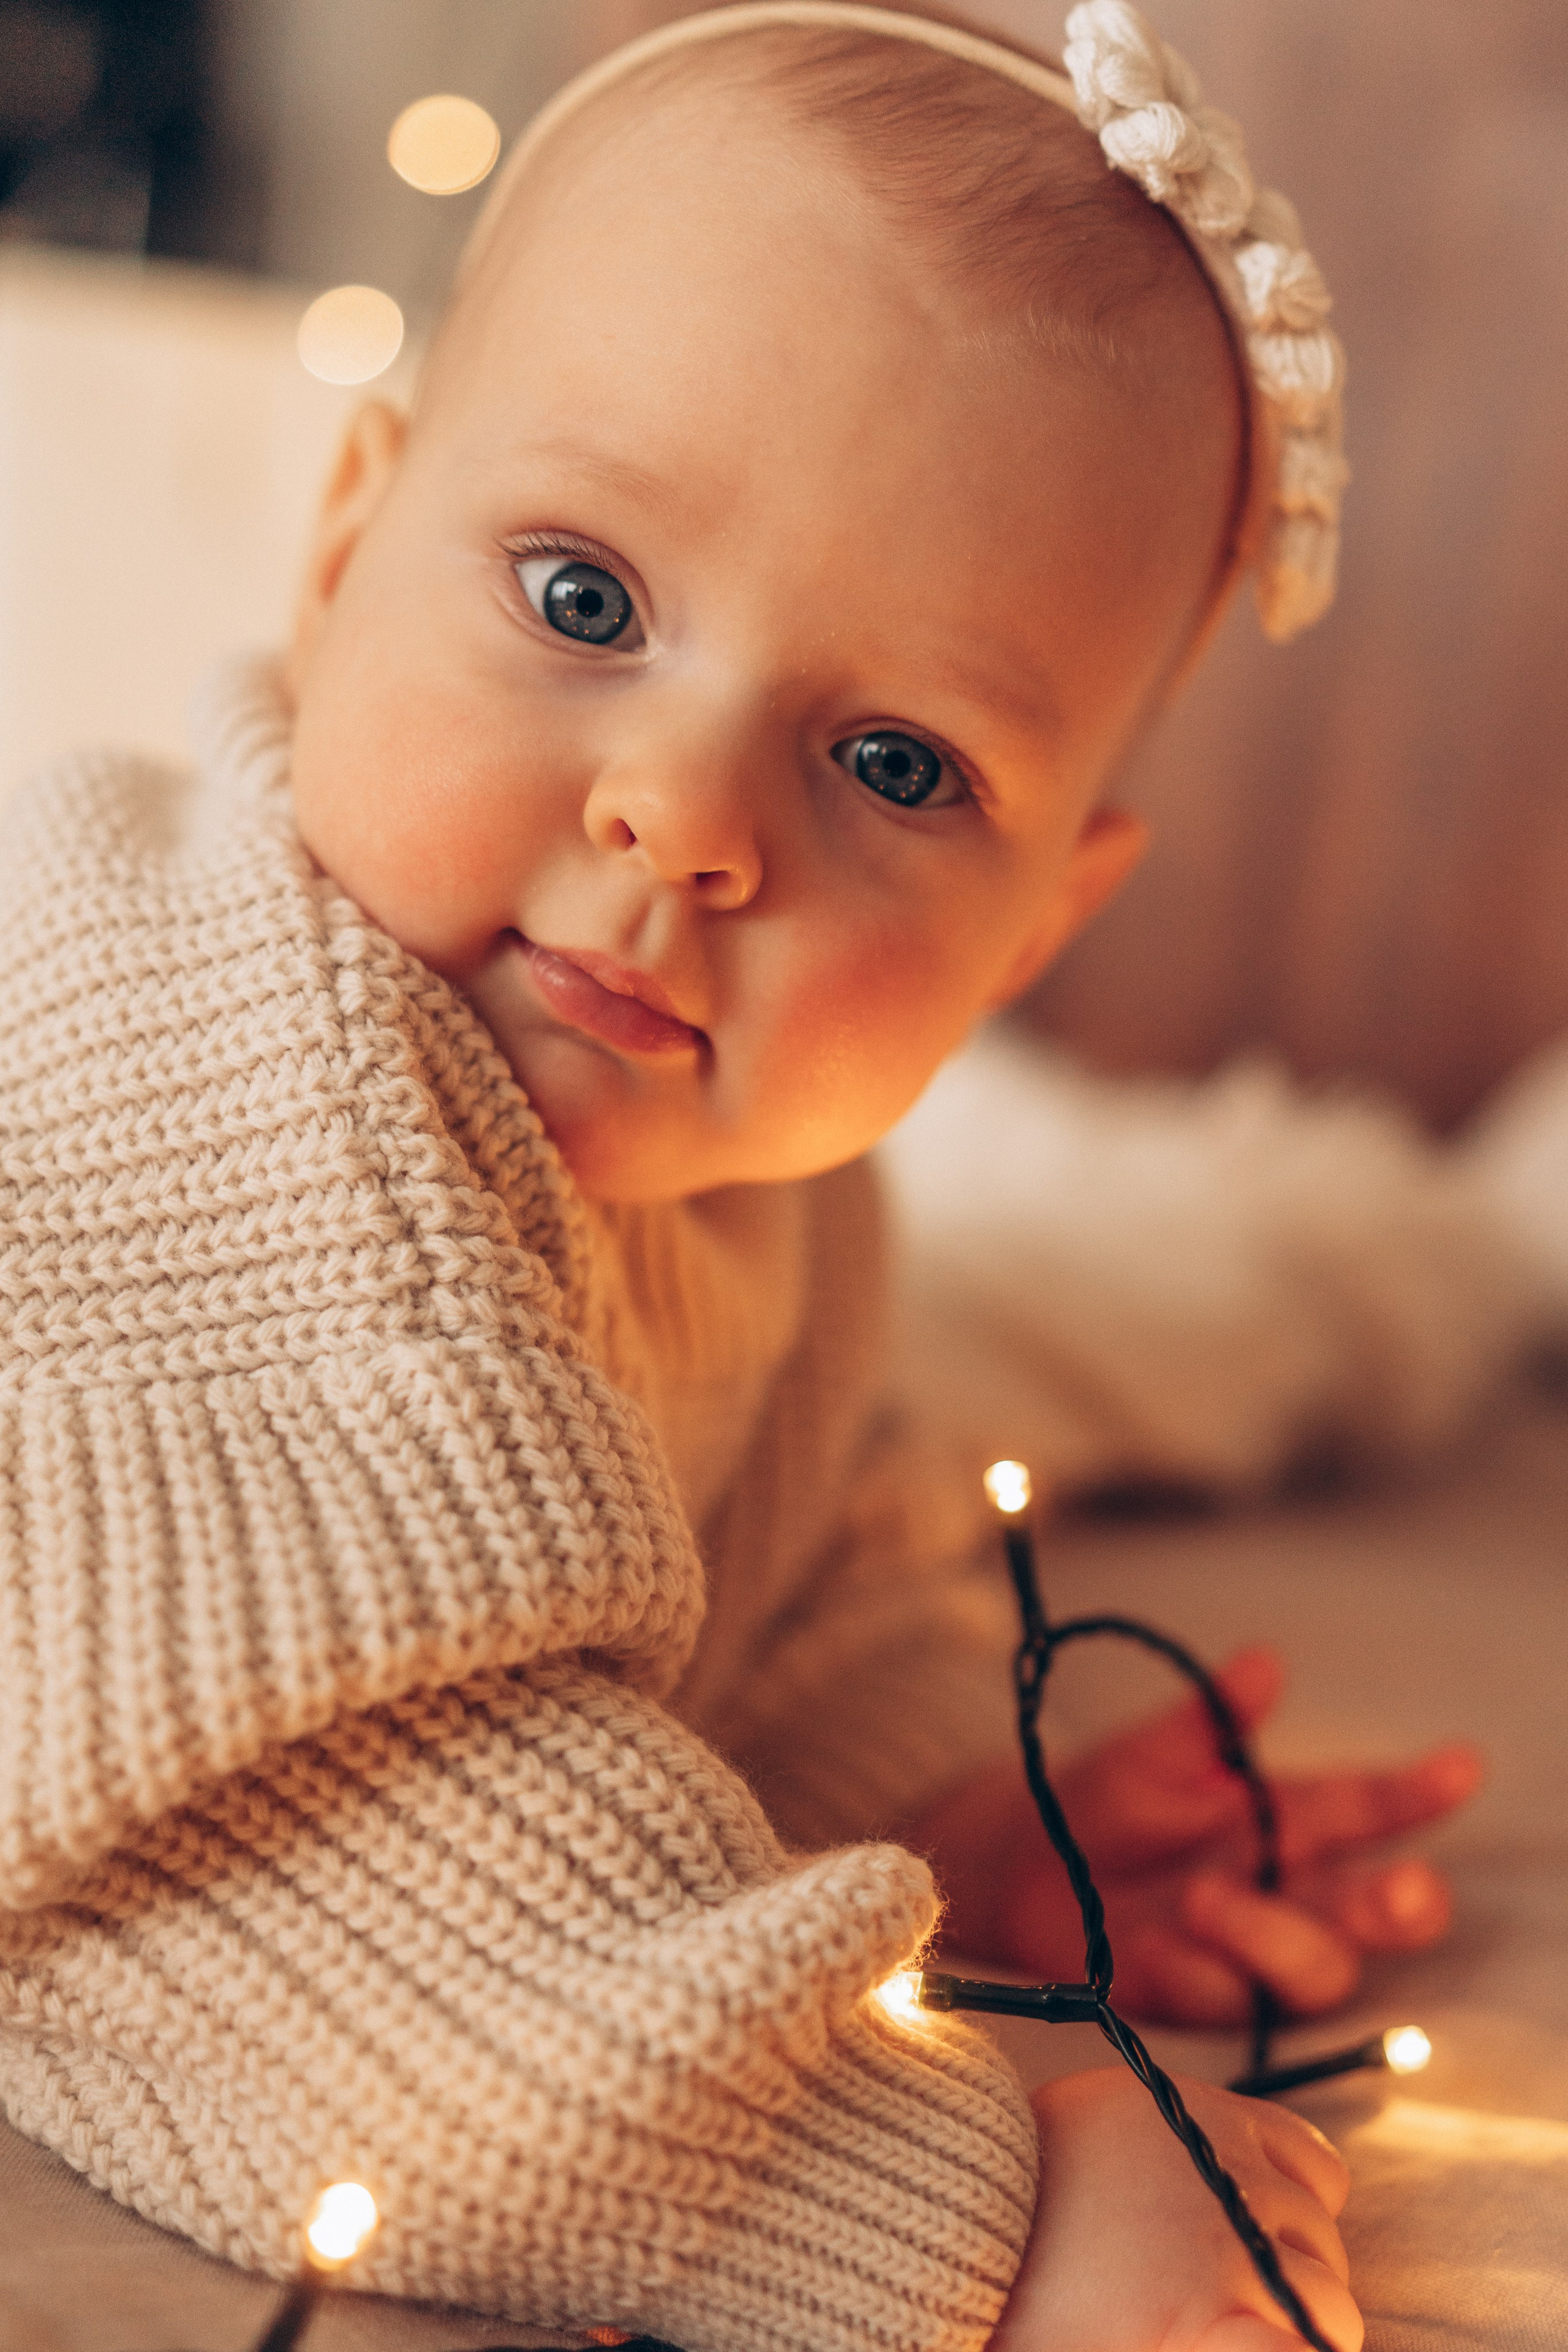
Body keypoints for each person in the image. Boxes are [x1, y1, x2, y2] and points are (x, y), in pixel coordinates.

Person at [0, 6, 1480, 2350]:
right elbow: (307, 1897)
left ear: (1038, 924)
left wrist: (950, 1811)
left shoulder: (777, 1194)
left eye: (896, 763)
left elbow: (764, 1577)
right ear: (343, 544)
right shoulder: (244, 1087)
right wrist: (972, 2181)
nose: (688, 822)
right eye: (583, 599)